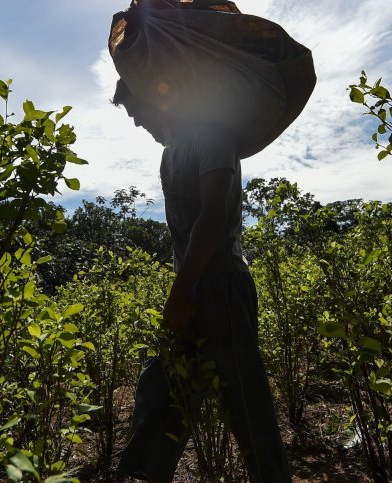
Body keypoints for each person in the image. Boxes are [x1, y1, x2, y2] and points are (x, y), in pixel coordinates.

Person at [111, 78, 290, 483]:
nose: (138, 122)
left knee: (247, 409)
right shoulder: (170, 154)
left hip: (222, 289)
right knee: (161, 390)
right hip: (191, 288)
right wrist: (183, 290)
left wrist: (180, 293)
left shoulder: (211, 135)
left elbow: (212, 215)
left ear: (158, 95)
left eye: (137, 111)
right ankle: (144, 474)